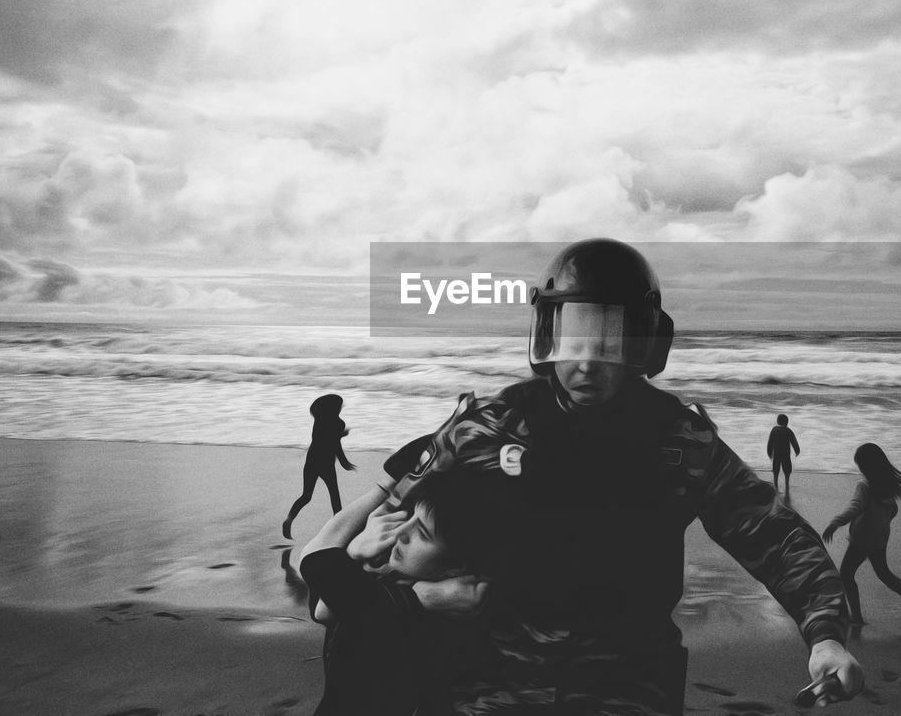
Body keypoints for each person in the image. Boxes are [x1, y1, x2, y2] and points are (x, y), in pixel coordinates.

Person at [369, 238, 864, 714]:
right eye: (573, 338)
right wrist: (412, 597)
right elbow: (389, 532)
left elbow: (776, 538)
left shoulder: (681, 442)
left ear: (644, 343)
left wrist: (825, 636)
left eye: (609, 342)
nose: (587, 363)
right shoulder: (487, 428)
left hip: (628, 684)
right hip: (490, 679)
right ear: (548, 335)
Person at [298, 470, 496, 716]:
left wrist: (357, 548)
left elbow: (313, 561)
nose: (401, 532)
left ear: (458, 566)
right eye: (410, 517)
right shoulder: (402, 588)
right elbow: (326, 610)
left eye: (422, 533)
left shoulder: (403, 614)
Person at [821, 443, 901, 626]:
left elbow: (855, 508)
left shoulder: (864, 486)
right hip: (879, 539)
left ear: (866, 466)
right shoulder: (887, 486)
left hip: (862, 539)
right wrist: (881, 523)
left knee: (846, 575)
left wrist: (835, 522)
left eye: (860, 465)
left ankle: (857, 617)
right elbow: (893, 510)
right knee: (885, 574)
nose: (859, 469)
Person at [284, 394, 355, 539]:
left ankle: (289, 519)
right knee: (335, 498)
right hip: (326, 464)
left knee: (306, 496)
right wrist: (343, 461)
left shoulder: (319, 419)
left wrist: (340, 435)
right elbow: (334, 444)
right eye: (340, 405)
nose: (341, 407)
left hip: (311, 461)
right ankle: (339, 531)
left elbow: (323, 437)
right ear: (335, 408)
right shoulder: (338, 423)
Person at [766, 414, 801, 494]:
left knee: (776, 468)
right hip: (785, 453)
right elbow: (794, 441)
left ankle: (775, 483)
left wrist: (769, 452)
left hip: (777, 453)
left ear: (777, 421)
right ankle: (787, 483)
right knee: (787, 469)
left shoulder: (774, 430)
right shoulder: (788, 430)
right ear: (787, 422)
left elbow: (770, 442)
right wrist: (797, 450)